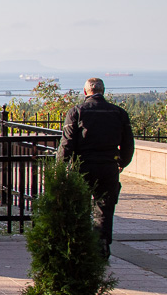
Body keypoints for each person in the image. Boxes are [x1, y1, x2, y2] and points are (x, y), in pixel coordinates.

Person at [57, 77, 135, 258]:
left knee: (81, 206)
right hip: (108, 166)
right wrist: (121, 162)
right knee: (105, 207)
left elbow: (67, 144)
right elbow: (128, 143)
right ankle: (102, 245)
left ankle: (82, 246)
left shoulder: (76, 112)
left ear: (85, 92)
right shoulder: (119, 113)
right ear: (103, 91)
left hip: (83, 165)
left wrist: (61, 167)